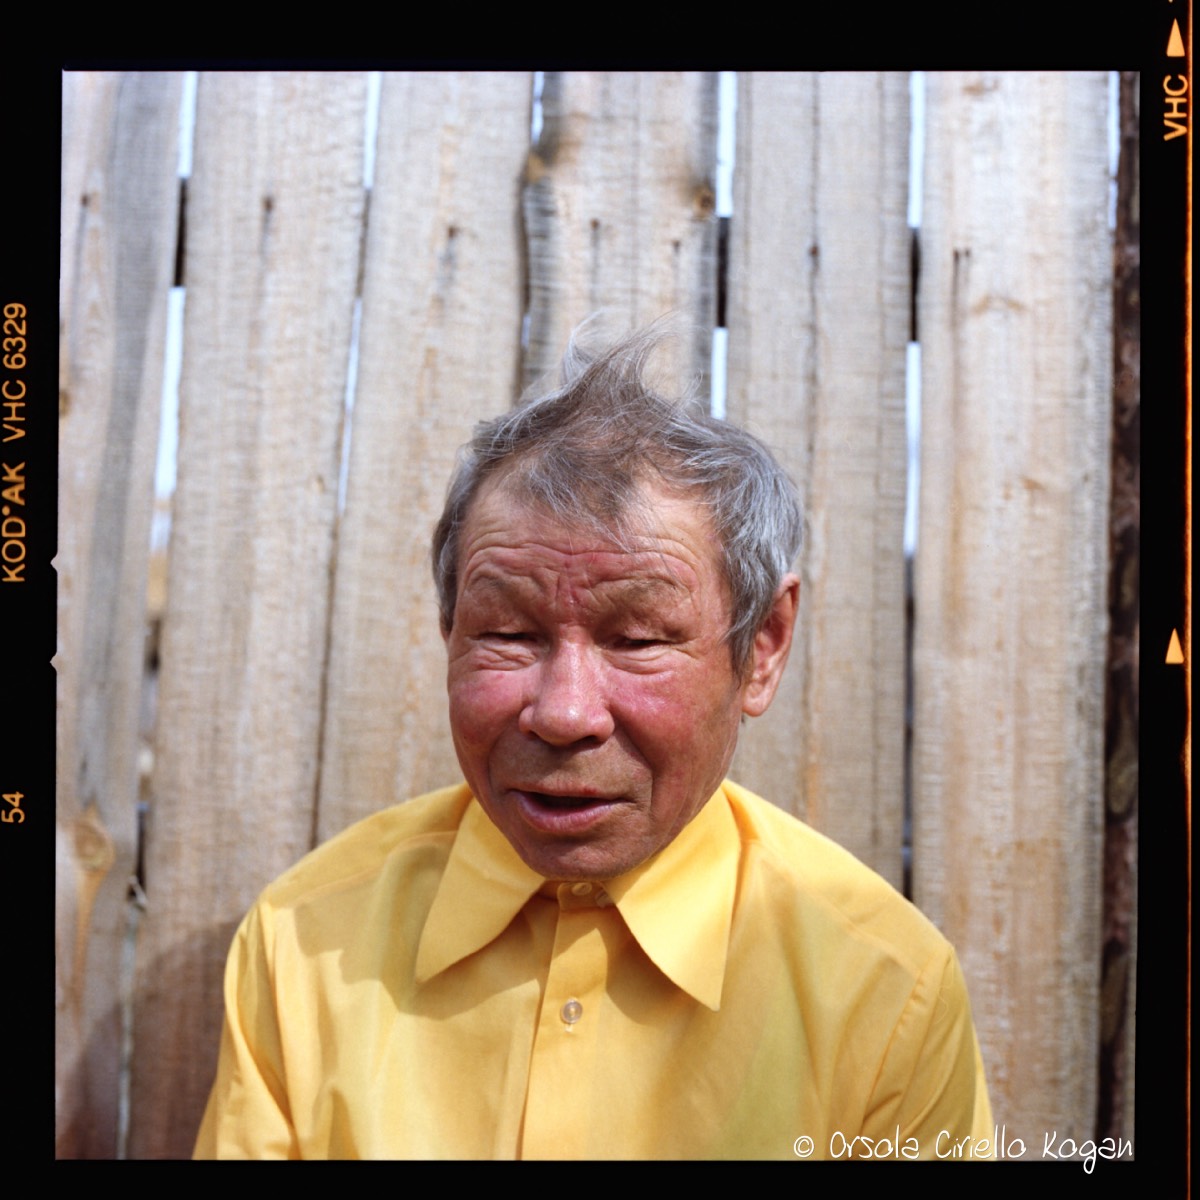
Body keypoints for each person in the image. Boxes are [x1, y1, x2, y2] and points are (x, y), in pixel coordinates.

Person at [194, 322, 992, 1159]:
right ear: (448, 630)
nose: (566, 713)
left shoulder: (884, 988)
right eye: (508, 632)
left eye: (638, 638)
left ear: (762, 648)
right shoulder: (305, 943)